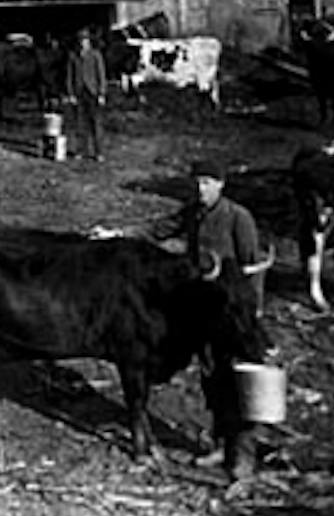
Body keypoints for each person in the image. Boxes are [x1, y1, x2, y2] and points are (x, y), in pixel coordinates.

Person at [89, 158, 268, 481]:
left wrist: (251, 314)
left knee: (236, 380)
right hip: (201, 310)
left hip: (232, 315)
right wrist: (116, 234)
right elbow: (158, 229)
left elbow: (252, 270)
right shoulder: (194, 213)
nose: (201, 189)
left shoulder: (238, 218)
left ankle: (242, 454)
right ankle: (219, 444)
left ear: (221, 185)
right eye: (197, 183)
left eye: (207, 183)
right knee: (211, 376)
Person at [65, 29, 107, 161]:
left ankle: (98, 152)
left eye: (85, 41)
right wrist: (71, 93)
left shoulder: (95, 55)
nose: (83, 43)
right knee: (80, 124)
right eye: (81, 41)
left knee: (96, 124)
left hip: (92, 92)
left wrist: (101, 93)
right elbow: (69, 76)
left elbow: (101, 75)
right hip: (79, 93)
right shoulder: (73, 56)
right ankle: (81, 151)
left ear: (89, 42)